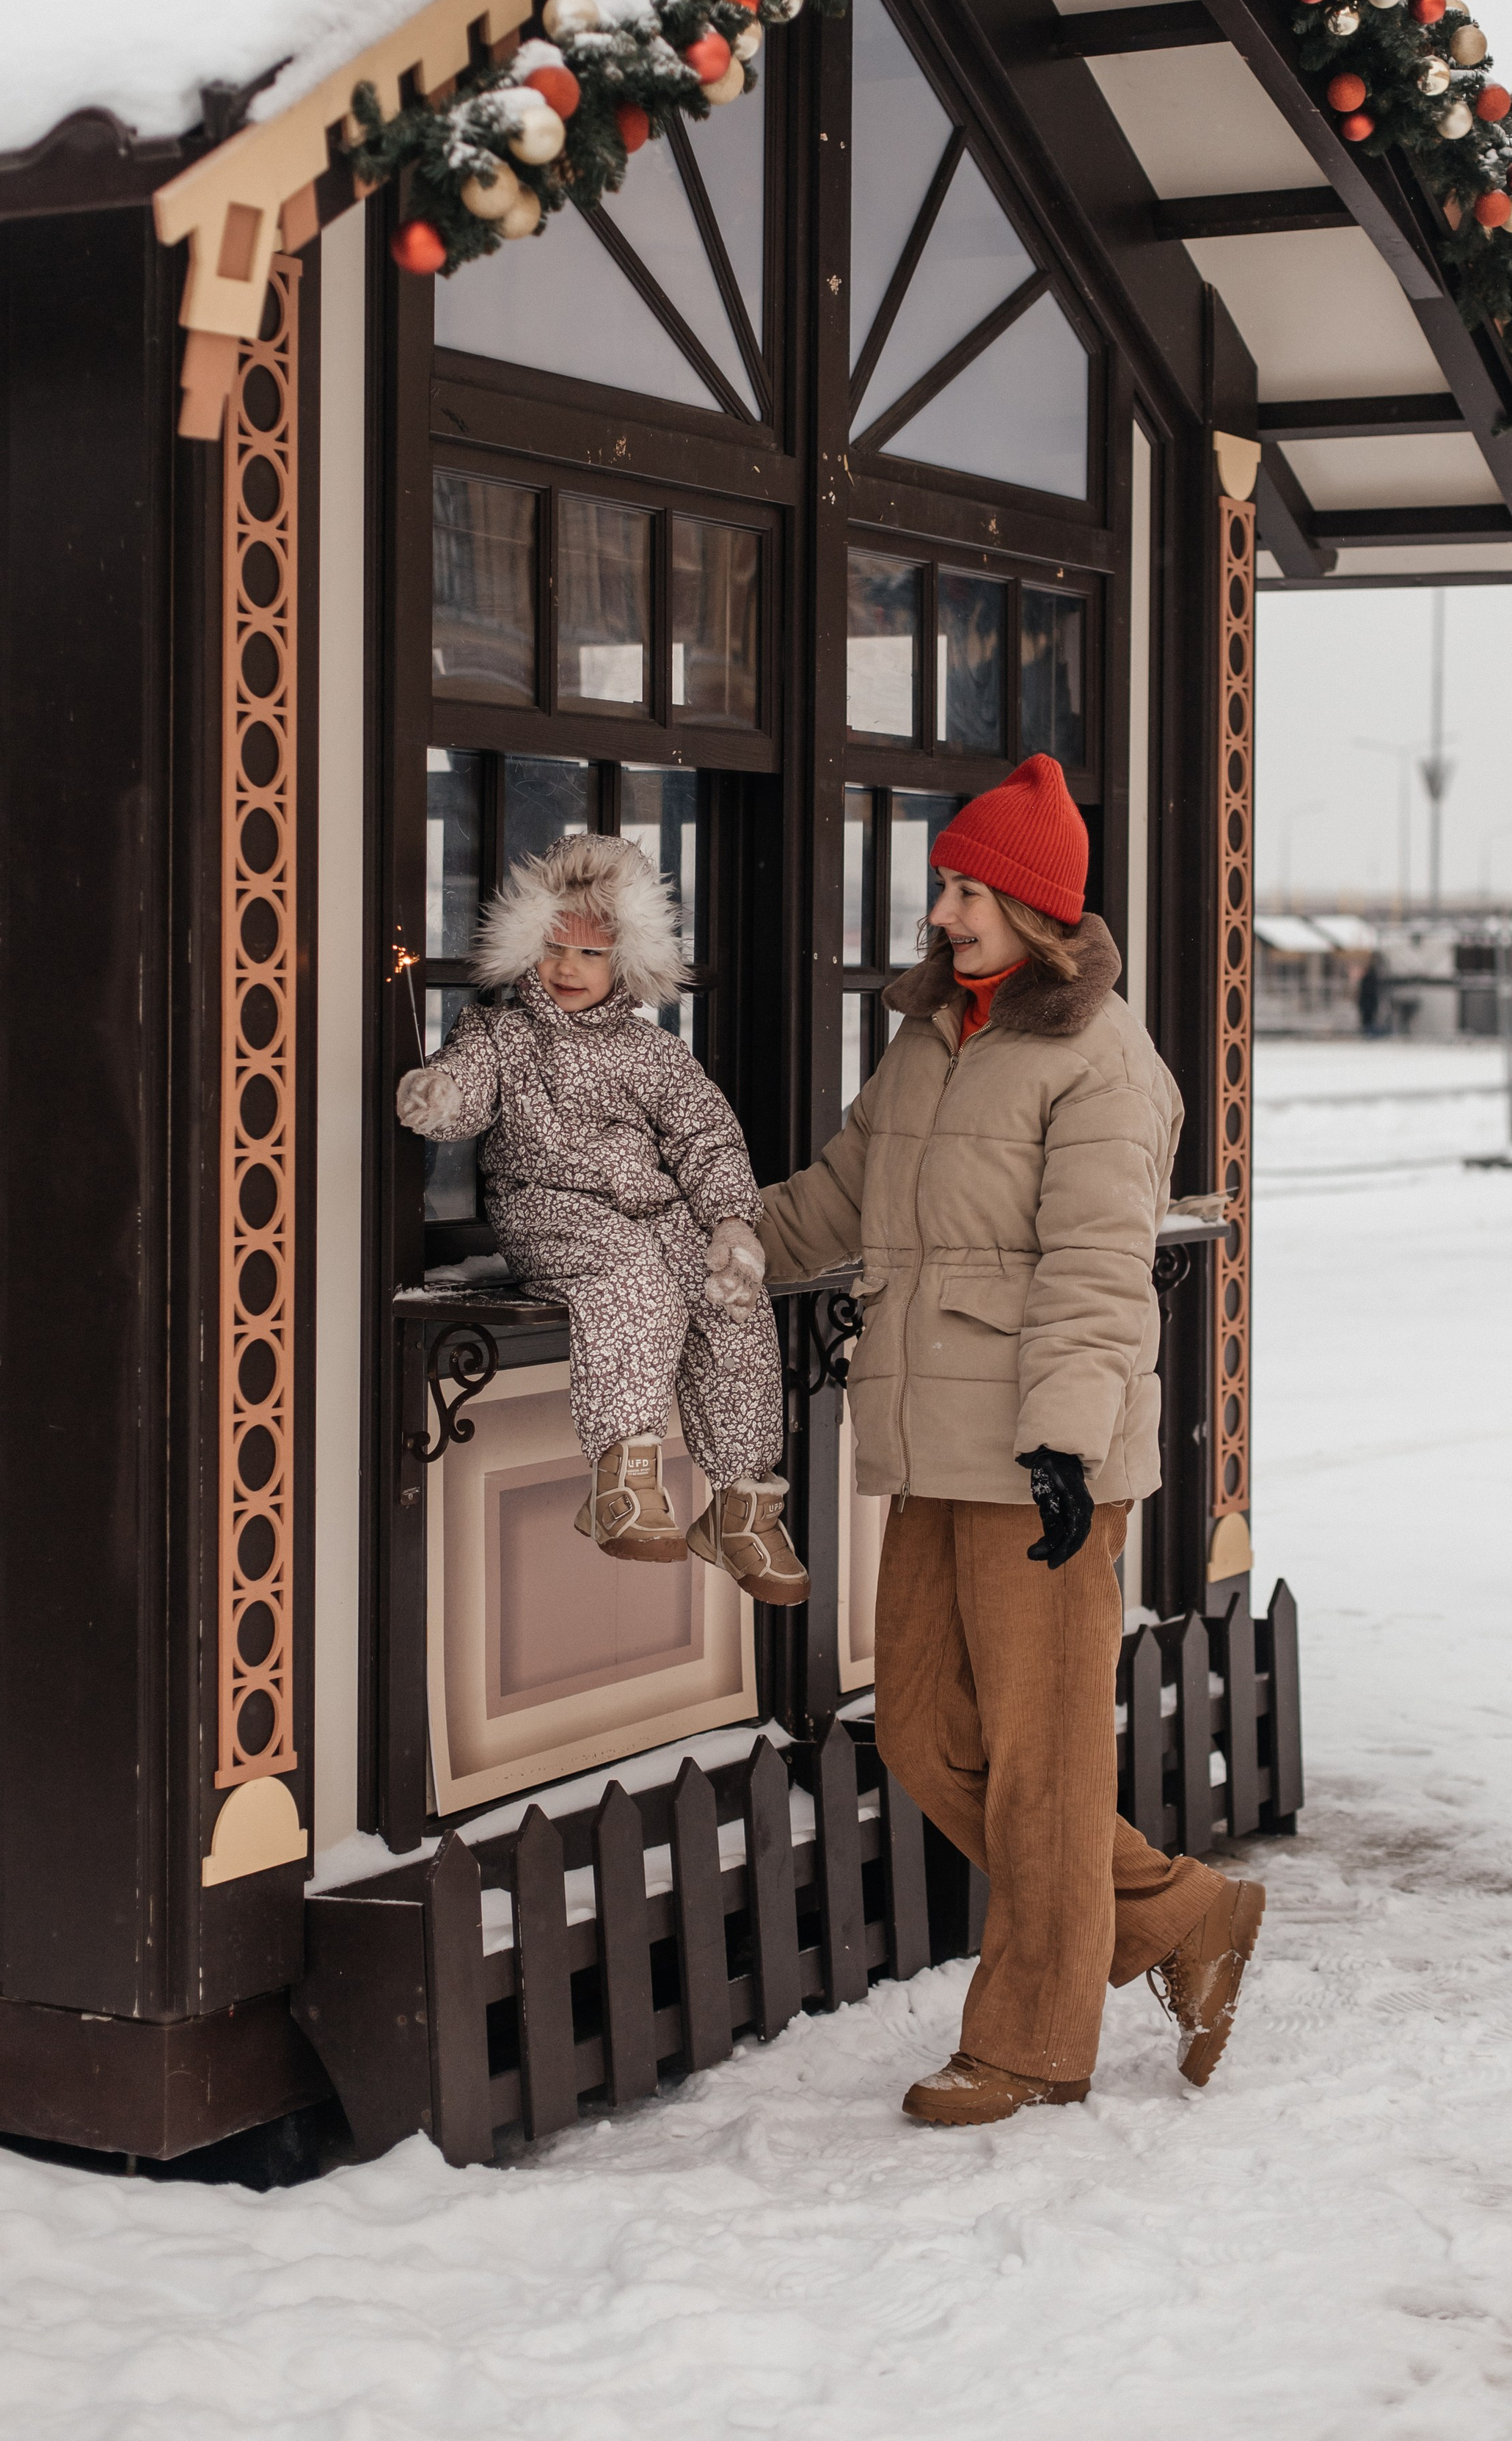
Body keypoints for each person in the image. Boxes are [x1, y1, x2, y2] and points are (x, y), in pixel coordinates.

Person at [759, 755, 1265, 2126]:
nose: (943, 910)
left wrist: (1063, 1449)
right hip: (931, 1448)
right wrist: (718, 1245)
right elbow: (844, 1193)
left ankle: (1035, 2042)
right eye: (943, 884)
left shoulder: (1103, 1062)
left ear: (1037, 908)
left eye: (969, 887)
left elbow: (1099, 1274)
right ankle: (1185, 1914)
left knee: (1044, 1761)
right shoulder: (931, 1036)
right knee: (926, 1732)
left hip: (1045, 1459)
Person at [395, 833, 803, 1604]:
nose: (565, 969)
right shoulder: (502, 1034)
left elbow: (704, 1136)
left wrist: (728, 1224)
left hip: (651, 1210)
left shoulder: (653, 1054)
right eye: (552, 949)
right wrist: (438, 1097)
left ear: (627, 960)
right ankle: (623, 1475)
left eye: (589, 953)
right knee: (631, 1279)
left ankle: (743, 1504)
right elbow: (469, 1087)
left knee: (730, 1306)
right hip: (547, 1208)